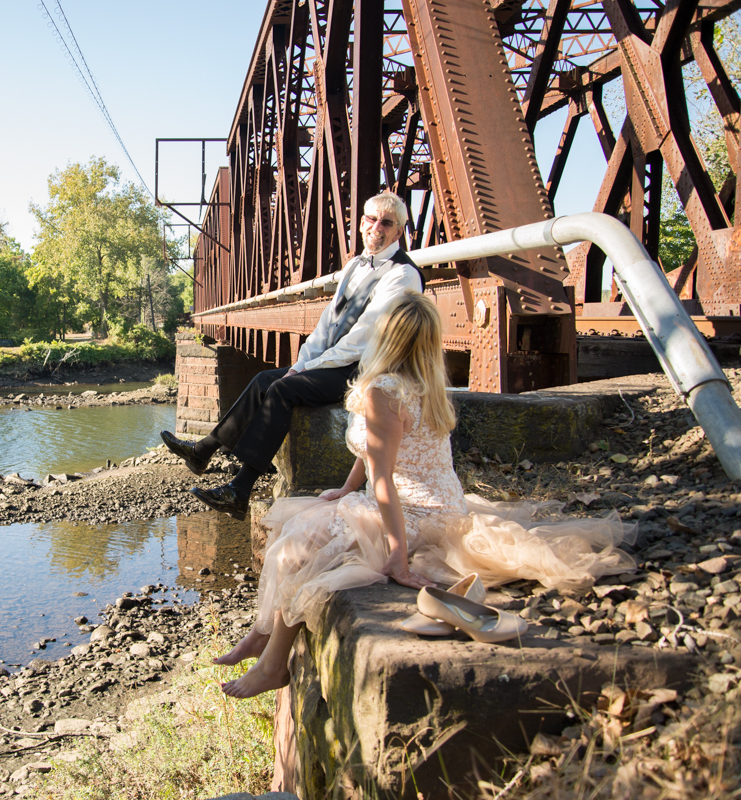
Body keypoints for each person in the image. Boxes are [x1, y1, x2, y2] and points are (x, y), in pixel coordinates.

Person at [214, 293, 635, 698]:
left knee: (299, 547)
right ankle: (260, 637)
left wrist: (396, 555)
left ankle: (273, 666)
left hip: (415, 510)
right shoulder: (425, 382)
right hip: (444, 505)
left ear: (385, 336)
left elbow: (383, 481)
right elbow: (374, 451)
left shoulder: (383, 390)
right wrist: (345, 489)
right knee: (303, 527)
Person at [160, 191, 423, 519]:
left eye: (387, 223)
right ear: (361, 223)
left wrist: (306, 369)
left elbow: (363, 340)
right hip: (335, 361)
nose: (376, 228)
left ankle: (240, 489)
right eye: (371, 219)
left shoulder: (403, 274)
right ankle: (203, 451)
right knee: (261, 381)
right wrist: (301, 364)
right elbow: (328, 323)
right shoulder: (356, 265)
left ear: (399, 231)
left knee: (283, 389)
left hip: (367, 369)